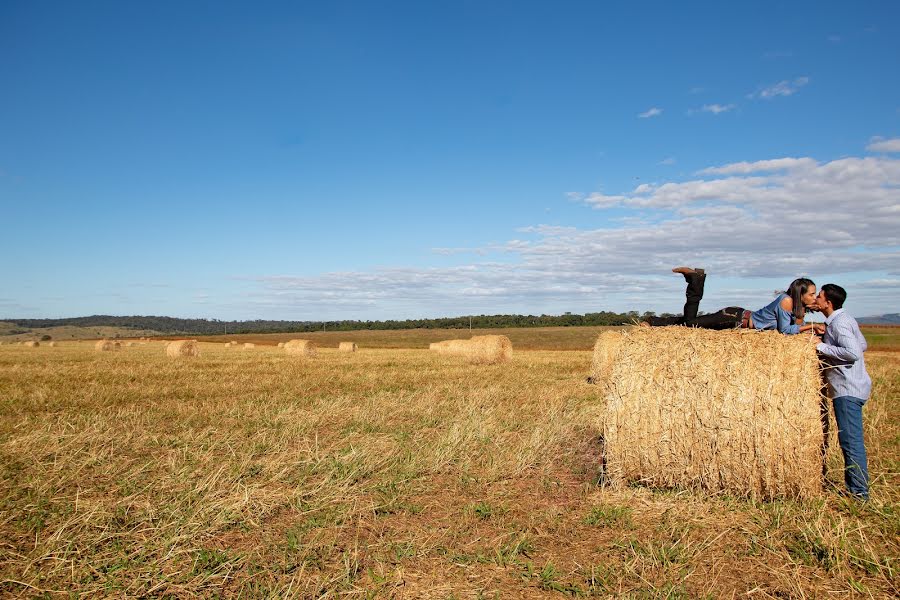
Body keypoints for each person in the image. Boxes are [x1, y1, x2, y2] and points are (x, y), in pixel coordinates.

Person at [814, 283, 871, 500]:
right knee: (851, 440)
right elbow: (862, 344)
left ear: (828, 302)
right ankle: (856, 488)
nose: (816, 300)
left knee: (850, 442)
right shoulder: (845, 319)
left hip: (847, 389)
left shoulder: (839, 323)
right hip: (855, 385)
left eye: (819, 296)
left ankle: (859, 493)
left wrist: (820, 347)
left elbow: (853, 352)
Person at [642, 267, 818, 333]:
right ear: (799, 293)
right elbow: (786, 330)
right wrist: (813, 326)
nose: (814, 297)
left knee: (692, 322)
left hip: (737, 319)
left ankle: (654, 322)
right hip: (733, 318)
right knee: (690, 324)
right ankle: (695, 280)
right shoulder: (785, 301)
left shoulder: (797, 307)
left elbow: (795, 328)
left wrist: (807, 313)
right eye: (811, 294)